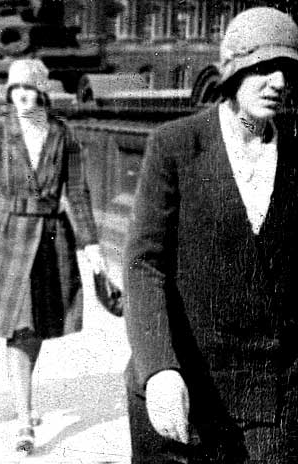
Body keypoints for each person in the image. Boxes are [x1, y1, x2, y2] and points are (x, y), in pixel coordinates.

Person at [123, 7, 298, 464]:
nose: (278, 81)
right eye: (263, 67)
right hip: (183, 387)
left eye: (287, 69)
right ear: (234, 70)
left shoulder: (296, 154)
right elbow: (144, 263)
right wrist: (158, 369)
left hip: (271, 393)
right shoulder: (177, 145)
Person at [0, 58, 107, 454]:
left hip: (51, 238)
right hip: (9, 236)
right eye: (16, 91)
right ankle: (24, 419)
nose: (22, 98)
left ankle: (23, 398)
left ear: (43, 92)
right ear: (10, 93)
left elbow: (78, 193)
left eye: (30, 90)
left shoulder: (63, 135)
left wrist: (92, 244)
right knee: (21, 326)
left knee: (37, 326)